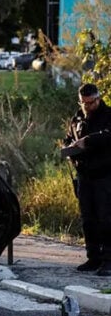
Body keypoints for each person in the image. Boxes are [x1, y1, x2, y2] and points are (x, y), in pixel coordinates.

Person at [62, 83, 111, 276]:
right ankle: (93, 257)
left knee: (106, 218)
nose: (87, 107)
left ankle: (108, 259)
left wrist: (88, 141)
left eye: (90, 103)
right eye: (83, 103)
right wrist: (68, 149)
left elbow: (108, 137)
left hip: (105, 176)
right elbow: (68, 138)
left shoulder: (108, 116)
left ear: (98, 99)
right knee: (87, 218)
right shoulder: (77, 118)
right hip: (84, 175)